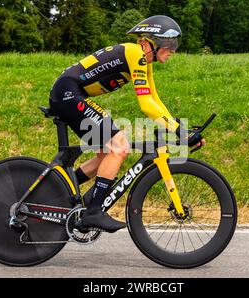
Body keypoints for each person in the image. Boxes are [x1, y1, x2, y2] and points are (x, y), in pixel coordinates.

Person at [48, 15, 205, 233]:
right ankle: (93, 212)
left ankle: (58, 193)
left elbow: (154, 100)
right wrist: (179, 130)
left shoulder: (143, 60)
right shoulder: (136, 54)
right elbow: (145, 106)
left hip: (69, 93)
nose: (173, 50)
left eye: (175, 45)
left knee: (106, 154)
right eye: (169, 45)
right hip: (67, 93)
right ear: (149, 42)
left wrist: (178, 127)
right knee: (119, 146)